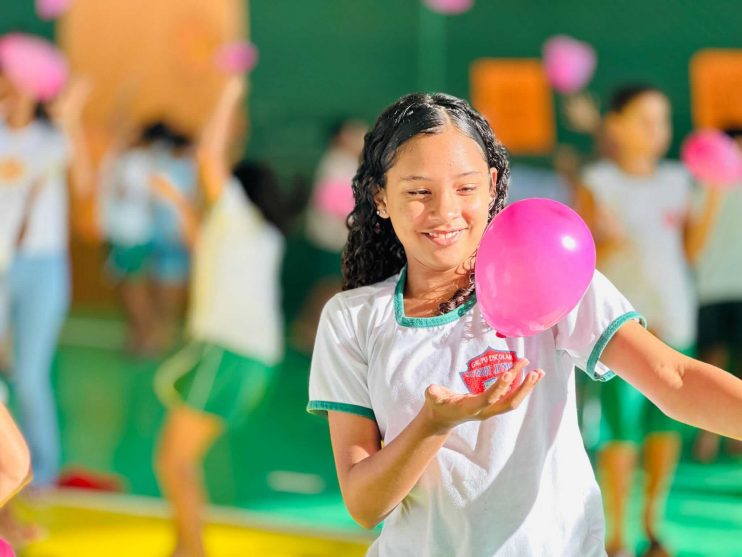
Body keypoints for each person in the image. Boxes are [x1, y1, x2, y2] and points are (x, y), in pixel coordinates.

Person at [306, 92, 742, 557]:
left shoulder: (546, 273)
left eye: (465, 188)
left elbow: (673, 378)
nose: (445, 211)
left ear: (493, 186)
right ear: (381, 197)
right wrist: (432, 425)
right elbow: (365, 504)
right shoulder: (350, 319)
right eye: (418, 191)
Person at [154, 78, 299, 557]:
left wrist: (228, 92)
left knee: (174, 461)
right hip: (250, 357)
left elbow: (207, 155)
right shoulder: (253, 231)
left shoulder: (236, 215)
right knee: (181, 460)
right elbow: (203, 243)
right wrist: (174, 201)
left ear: (239, 187)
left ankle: (190, 550)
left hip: (229, 352)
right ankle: (187, 545)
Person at [578, 85, 721, 557]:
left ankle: (651, 523)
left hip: (675, 320)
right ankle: (617, 535)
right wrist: (607, 242)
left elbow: (689, 251)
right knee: (622, 432)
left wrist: (715, 194)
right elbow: (580, 258)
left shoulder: (679, 181)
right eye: (644, 120)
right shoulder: (597, 181)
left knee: (667, 430)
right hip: (621, 329)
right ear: (615, 125)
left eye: (661, 121)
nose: (655, 131)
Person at [692, 127, 742, 462]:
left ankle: (736, 439)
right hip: (709, 288)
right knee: (712, 364)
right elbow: (692, 244)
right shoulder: (700, 188)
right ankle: (707, 438)